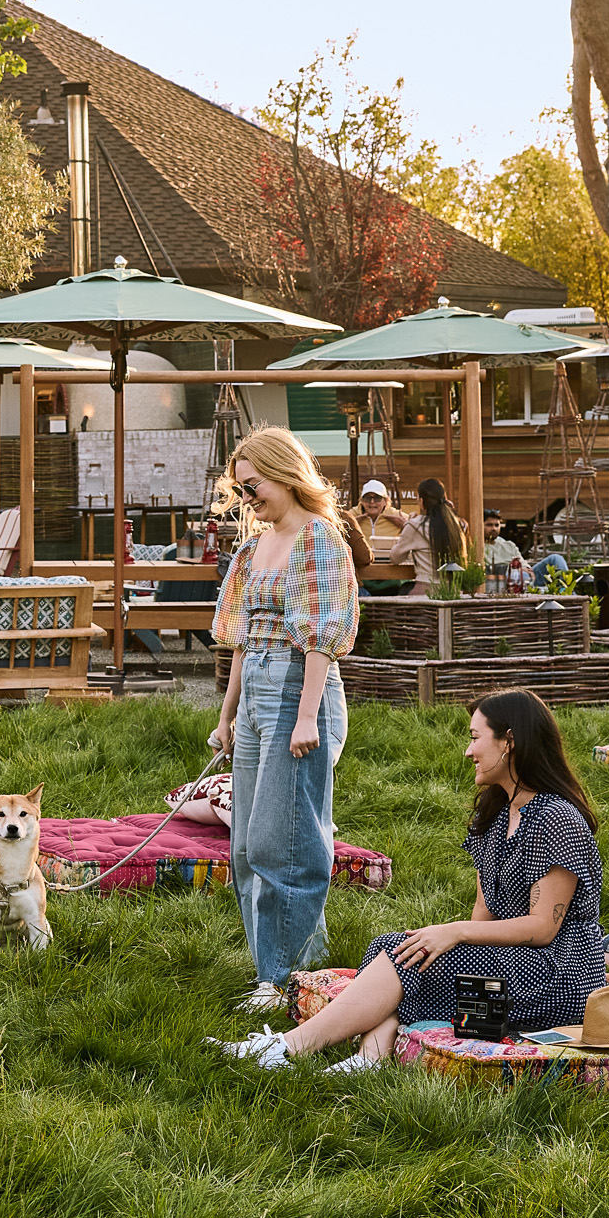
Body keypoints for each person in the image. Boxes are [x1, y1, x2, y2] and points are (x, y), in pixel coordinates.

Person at [219, 688, 604, 1072]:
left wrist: (454, 934)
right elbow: (484, 913)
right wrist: (448, 947)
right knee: (400, 949)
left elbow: (542, 928)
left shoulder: (557, 820)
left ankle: (286, 1049)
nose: (468, 752)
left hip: (558, 976)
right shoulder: (499, 816)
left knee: (406, 953)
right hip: (513, 966)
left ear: (510, 743)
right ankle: (368, 1061)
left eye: (475, 738)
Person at [207, 426, 357, 1015]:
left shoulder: (319, 539)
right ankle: (286, 965)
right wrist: (227, 716)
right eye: (241, 492)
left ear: (285, 472)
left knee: (285, 839)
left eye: (255, 486)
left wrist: (306, 718)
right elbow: (241, 643)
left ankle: (283, 977)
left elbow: (320, 637)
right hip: (256, 696)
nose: (249, 500)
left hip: (301, 686)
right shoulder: (254, 546)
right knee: (245, 843)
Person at [349, 479, 415, 596]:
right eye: (367, 498)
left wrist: (405, 526)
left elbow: (417, 534)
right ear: (361, 501)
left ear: (386, 501)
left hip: (392, 571)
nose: (372, 502)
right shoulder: (351, 516)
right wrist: (351, 524)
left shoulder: (397, 516)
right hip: (362, 571)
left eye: (377, 498)